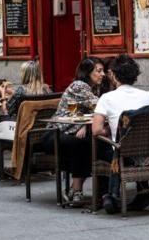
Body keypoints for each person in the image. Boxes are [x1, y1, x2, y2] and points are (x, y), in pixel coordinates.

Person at [93, 54, 149, 213]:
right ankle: (143, 189)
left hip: (122, 153)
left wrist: (111, 129)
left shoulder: (107, 98)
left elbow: (96, 130)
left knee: (100, 144)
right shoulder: (147, 96)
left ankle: (108, 194)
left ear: (113, 75)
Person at [41, 57, 104, 207]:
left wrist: (84, 126)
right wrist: (83, 125)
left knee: (93, 143)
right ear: (87, 72)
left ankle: (74, 190)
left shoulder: (93, 87)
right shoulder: (79, 85)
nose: (102, 74)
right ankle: (76, 191)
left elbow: (88, 113)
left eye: (103, 71)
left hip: (71, 132)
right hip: (55, 133)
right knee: (82, 144)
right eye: (98, 71)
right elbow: (100, 107)